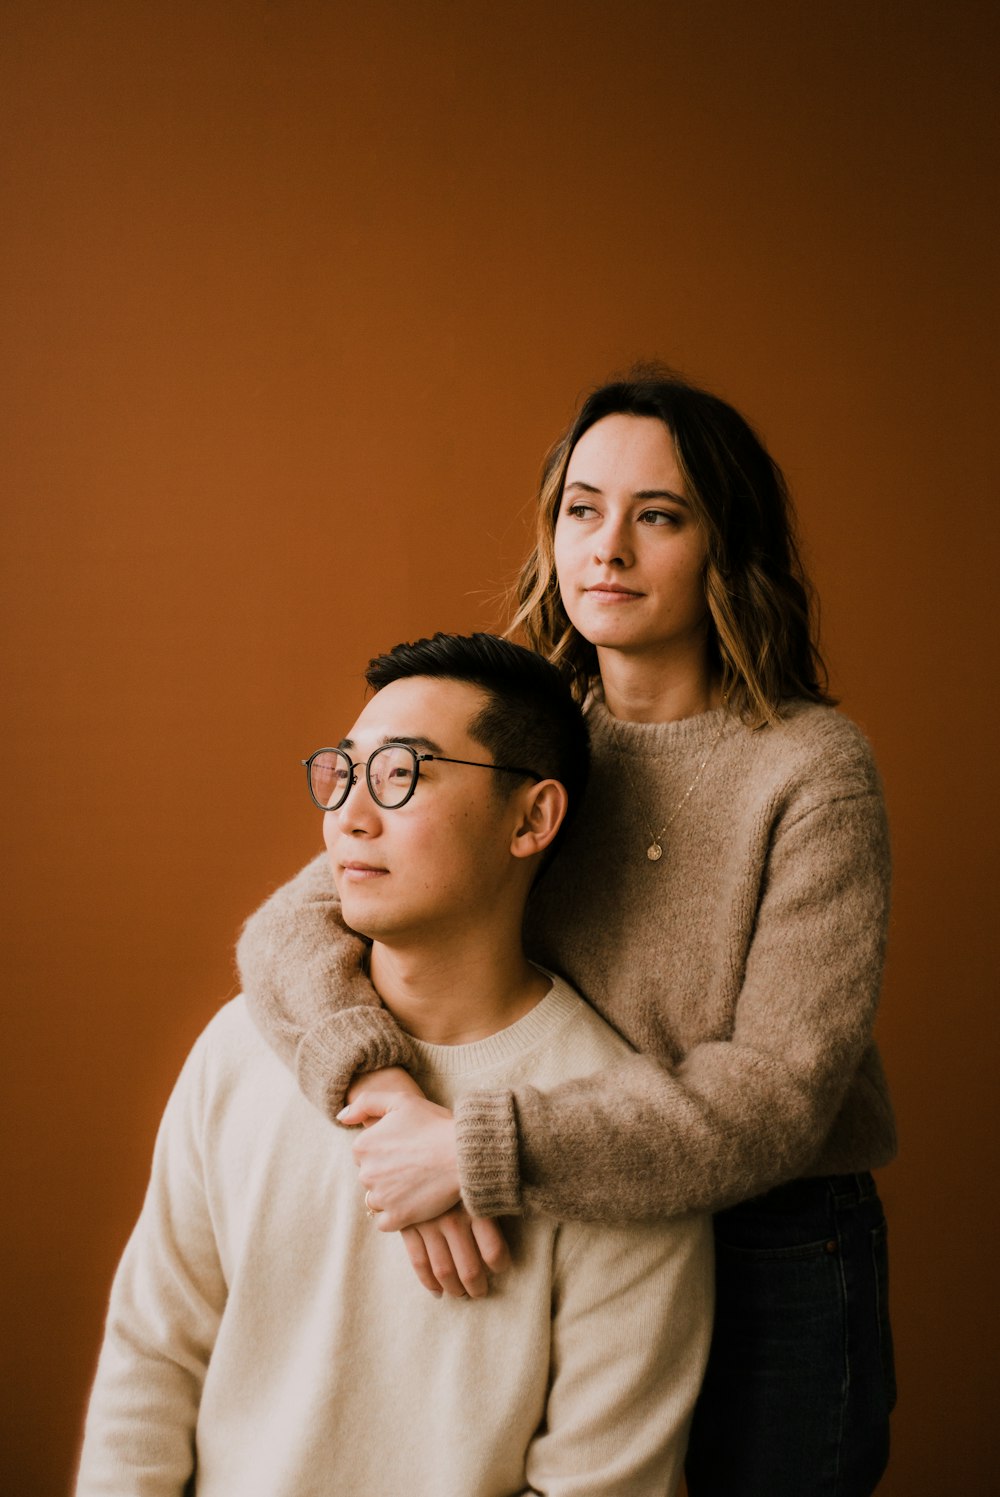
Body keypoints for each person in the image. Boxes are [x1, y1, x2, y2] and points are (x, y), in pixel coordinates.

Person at [235, 367, 898, 1497]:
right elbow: (288, 928)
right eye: (582, 509)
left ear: (722, 545)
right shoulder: (528, 736)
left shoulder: (810, 771)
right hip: (560, 1226)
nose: (608, 549)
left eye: (659, 516)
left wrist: (473, 1150)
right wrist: (387, 1092)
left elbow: (777, 1096)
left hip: (768, 1252)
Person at [75, 632, 714, 1497]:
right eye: (343, 772)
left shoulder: (609, 1132)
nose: (349, 816)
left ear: (532, 818)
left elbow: (603, 1479)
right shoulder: (241, 1051)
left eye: (402, 775)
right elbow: (149, 1360)